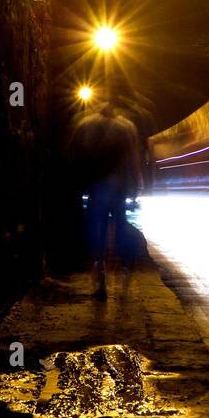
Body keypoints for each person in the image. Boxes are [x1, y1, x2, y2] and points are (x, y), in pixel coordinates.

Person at [69, 97, 143, 301]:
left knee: (97, 230)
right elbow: (133, 158)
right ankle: (125, 270)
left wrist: (77, 183)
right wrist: (136, 185)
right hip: (119, 187)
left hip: (96, 186)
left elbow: (74, 155)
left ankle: (100, 274)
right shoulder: (127, 127)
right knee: (121, 226)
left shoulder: (85, 124)